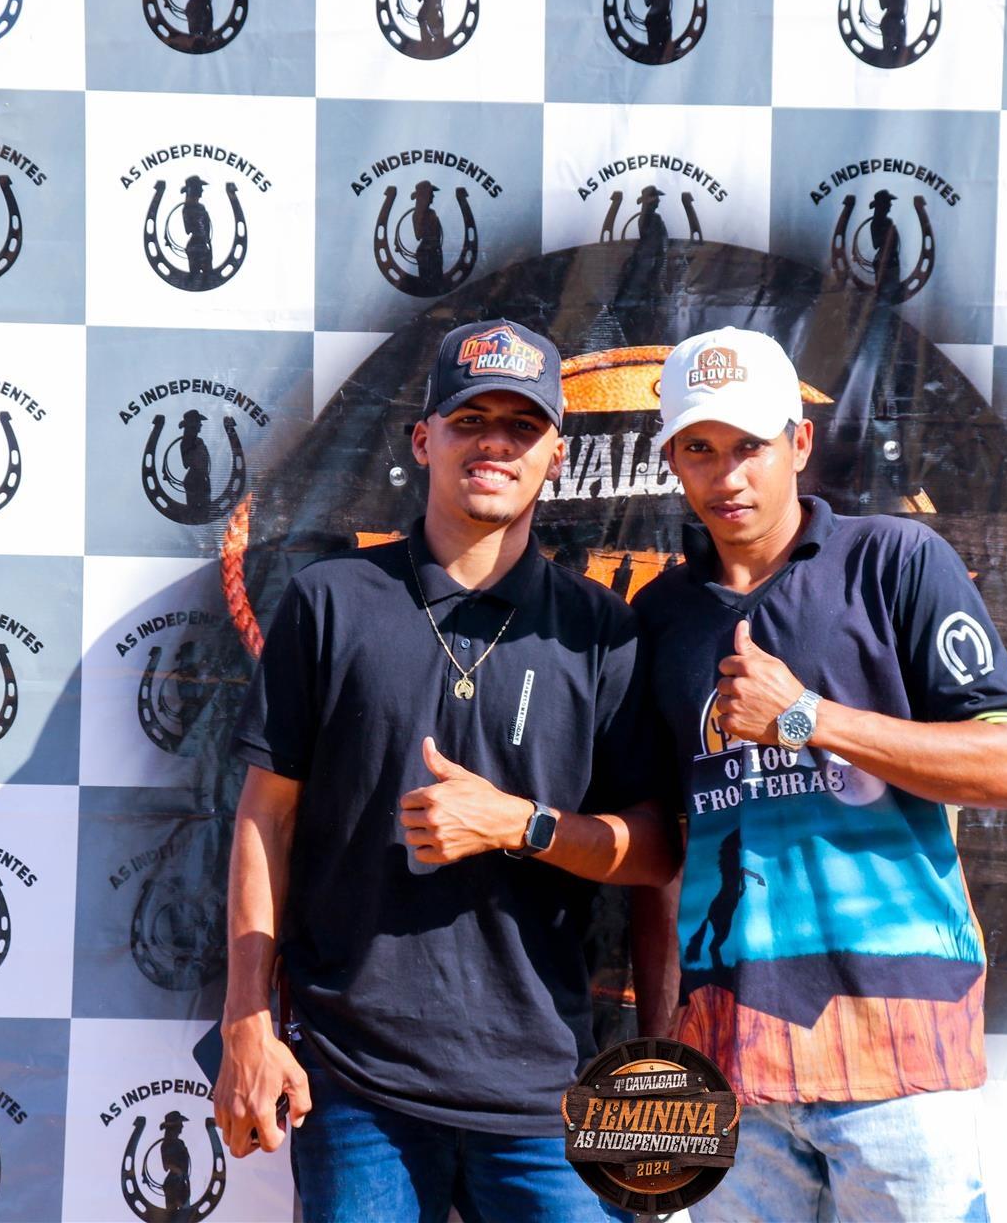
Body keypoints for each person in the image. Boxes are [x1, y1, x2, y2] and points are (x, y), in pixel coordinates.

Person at [215, 319, 677, 1222]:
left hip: (545, 1084)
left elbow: (656, 851)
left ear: (555, 457)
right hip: (356, 1082)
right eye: (471, 420)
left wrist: (520, 825)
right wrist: (246, 1019)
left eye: (523, 426)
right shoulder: (330, 601)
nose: (495, 443)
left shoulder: (601, 631)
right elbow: (264, 818)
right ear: (424, 439)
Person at [630, 328, 1007, 1221]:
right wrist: (665, 1051)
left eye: (750, 445)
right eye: (700, 449)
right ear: (671, 462)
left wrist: (806, 719)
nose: (727, 475)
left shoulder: (897, 561)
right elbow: (667, 853)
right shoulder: (658, 616)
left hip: (898, 1056)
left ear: (800, 443)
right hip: (730, 1064)